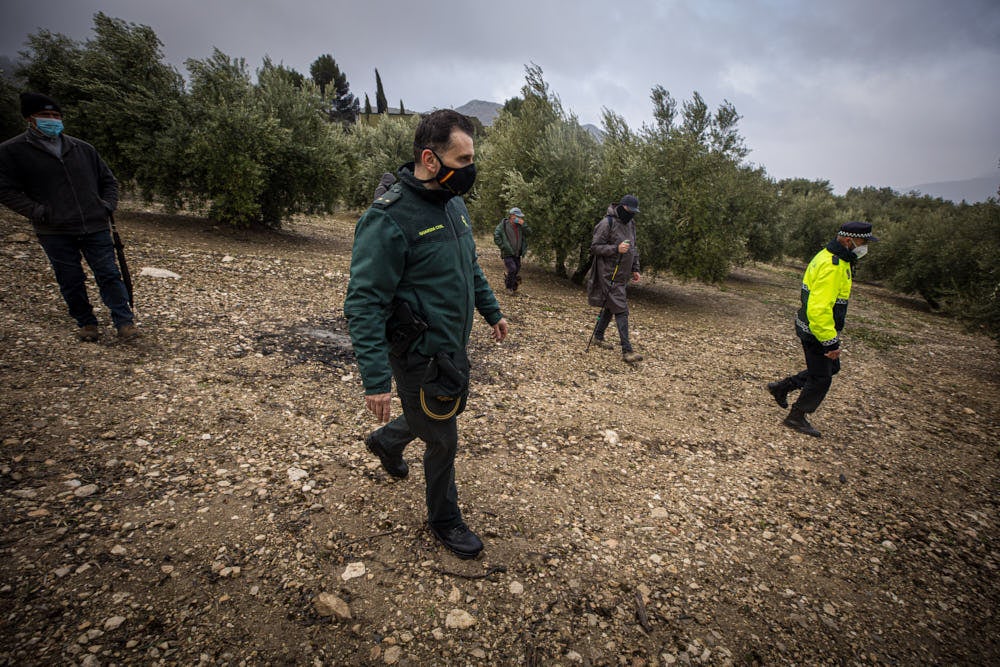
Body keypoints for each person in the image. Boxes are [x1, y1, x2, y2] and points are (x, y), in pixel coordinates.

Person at [344, 109, 508, 560]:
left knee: (436, 413)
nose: (471, 168)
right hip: (416, 351)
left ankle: (386, 441)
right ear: (430, 160)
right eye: (463, 159)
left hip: (451, 345)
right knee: (442, 436)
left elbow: (469, 266)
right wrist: (375, 380)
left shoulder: (454, 205)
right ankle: (444, 519)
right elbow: (363, 303)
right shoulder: (389, 219)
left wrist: (491, 310)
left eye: (472, 157)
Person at [0, 92, 137, 342]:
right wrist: (37, 211)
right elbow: (5, 190)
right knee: (70, 278)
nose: (52, 120)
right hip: (54, 229)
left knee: (109, 273)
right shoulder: (12, 151)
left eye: (56, 115)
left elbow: (108, 180)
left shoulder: (82, 148)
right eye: (45, 115)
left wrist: (107, 206)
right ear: (30, 118)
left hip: (94, 224)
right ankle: (86, 322)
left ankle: (124, 322)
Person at [767, 221, 878, 437]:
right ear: (849, 240)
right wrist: (830, 342)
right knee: (822, 377)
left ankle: (783, 387)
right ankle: (796, 416)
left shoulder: (832, 257)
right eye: (863, 242)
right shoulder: (832, 266)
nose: (865, 247)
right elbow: (819, 309)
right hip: (816, 330)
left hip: (813, 326)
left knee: (830, 368)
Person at [587, 194, 643, 363]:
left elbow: (633, 248)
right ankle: (627, 351)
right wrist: (615, 249)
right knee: (621, 309)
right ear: (622, 207)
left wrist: (635, 268)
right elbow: (595, 247)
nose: (632, 214)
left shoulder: (631, 224)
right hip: (607, 274)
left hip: (622, 275)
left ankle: (598, 336)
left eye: (634, 211)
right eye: (630, 210)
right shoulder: (607, 223)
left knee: (611, 307)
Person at [493, 206, 529, 294]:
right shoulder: (503, 225)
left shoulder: (520, 226)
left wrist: (524, 224)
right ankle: (509, 287)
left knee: (517, 268)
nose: (519, 218)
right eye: (517, 216)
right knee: (512, 268)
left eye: (520, 217)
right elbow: (496, 236)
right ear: (512, 215)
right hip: (507, 252)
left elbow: (529, 233)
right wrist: (503, 247)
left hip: (517, 253)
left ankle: (511, 283)